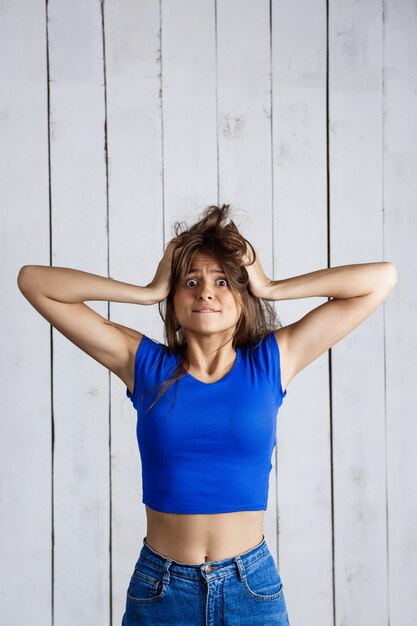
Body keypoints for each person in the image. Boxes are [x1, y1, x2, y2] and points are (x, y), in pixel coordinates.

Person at [17, 204, 398, 625]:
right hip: (161, 589)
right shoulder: (144, 365)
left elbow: (381, 279)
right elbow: (34, 282)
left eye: (222, 281)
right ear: (173, 299)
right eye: (191, 281)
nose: (206, 292)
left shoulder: (272, 362)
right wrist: (147, 289)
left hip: (250, 588)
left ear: (243, 294)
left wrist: (270, 286)